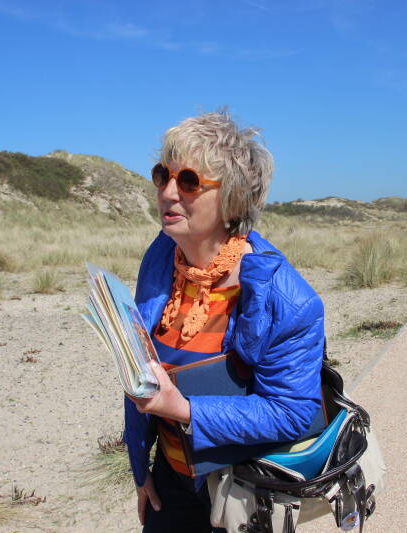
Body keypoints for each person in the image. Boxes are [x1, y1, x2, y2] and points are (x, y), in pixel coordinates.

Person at [124, 110, 325, 533]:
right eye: (163, 175)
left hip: (242, 486)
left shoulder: (286, 298)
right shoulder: (161, 256)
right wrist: (141, 472)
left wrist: (184, 410)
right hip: (170, 478)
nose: (168, 193)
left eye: (189, 181)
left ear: (231, 197)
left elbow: (293, 411)